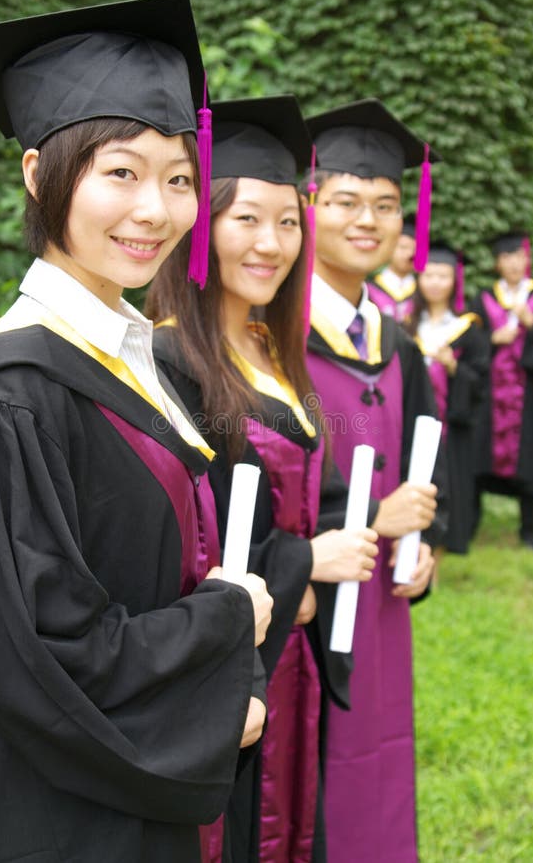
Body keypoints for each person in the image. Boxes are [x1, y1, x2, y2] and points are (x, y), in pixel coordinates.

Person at [0, 0, 274, 863]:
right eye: (121, 173)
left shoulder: (149, 360)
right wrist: (228, 624)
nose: (156, 211)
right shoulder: (11, 396)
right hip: (57, 820)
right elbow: (36, 658)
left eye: (179, 179)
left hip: (140, 805)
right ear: (38, 174)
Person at [146, 94, 379, 863]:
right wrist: (304, 564)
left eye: (288, 222)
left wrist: (343, 539)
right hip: (228, 668)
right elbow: (189, 538)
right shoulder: (170, 362)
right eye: (247, 218)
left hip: (289, 656)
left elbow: (320, 480)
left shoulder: (274, 357)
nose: (272, 243)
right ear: (201, 224)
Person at [302, 98, 447, 863]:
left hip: (382, 604)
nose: (369, 220)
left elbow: (431, 470)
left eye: (387, 206)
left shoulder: (399, 346)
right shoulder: (264, 331)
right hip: (306, 606)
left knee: (382, 760)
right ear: (310, 202)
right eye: (348, 201)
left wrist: (423, 551)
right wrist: (363, 519)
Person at [471, 231, 533, 549]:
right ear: (497, 263)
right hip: (489, 399)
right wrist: (491, 341)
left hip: (527, 400)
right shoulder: (484, 298)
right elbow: (468, 343)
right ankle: (471, 525)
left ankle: (530, 533)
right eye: (506, 257)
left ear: (527, 260)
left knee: (529, 460)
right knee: (478, 459)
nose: (513, 263)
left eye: (518, 256)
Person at [404, 242, 488, 554]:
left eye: (443, 276)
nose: (435, 283)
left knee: (450, 480)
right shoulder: (407, 327)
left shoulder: (468, 328)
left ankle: (444, 542)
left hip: (451, 425)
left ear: (455, 281)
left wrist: (455, 367)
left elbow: (482, 381)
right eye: (428, 275)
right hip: (413, 421)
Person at [368, 214, 417, 322]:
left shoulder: (422, 292)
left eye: (415, 250)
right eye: (403, 247)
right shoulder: (369, 289)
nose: (409, 254)